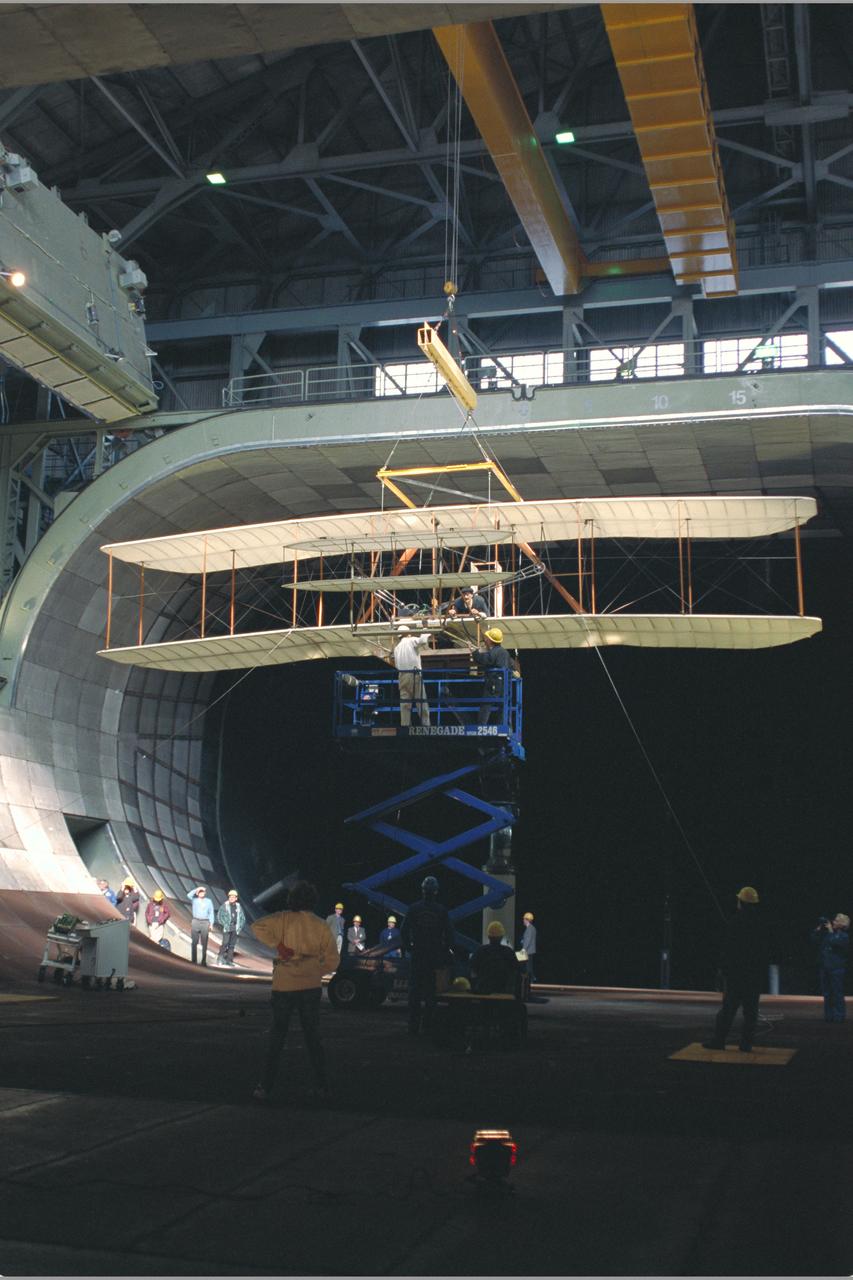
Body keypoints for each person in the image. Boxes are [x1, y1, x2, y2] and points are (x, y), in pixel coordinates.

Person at [250, 879, 340, 1104]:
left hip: (283, 985)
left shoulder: (281, 919)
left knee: (277, 1037)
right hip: (309, 986)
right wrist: (314, 970)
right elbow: (333, 960)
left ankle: (265, 1087)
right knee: (313, 1037)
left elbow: (256, 927)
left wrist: (279, 947)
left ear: (292, 900)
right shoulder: (321, 926)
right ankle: (323, 1086)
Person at [703, 886, 767, 1053]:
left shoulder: (735, 922)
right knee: (751, 1013)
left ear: (742, 902)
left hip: (736, 975)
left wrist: (722, 970)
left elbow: (728, 949)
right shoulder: (761, 924)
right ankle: (746, 1044)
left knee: (728, 1010)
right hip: (754, 975)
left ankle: (719, 1041)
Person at [400, 875, 454, 1034]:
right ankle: (428, 1026)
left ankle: (413, 1026)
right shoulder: (441, 911)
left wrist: (409, 947)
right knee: (431, 992)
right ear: (436, 891)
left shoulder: (414, 908)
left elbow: (404, 931)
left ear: (422, 890)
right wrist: (444, 952)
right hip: (434, 956)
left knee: (415, 991)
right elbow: (450, 935)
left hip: (418, 955)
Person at [472, 627, 515, 725]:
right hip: (505, 683)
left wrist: (475, 653)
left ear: (490, 640)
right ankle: (504, 726)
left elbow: (484, 660)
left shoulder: (494, 652)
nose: (485, 640)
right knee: (503, 705)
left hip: (494, 683)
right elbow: (511, 665)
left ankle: (481, 726)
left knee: (486, 704)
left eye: (487, 638)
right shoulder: (504, 652)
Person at [812, 913, 849, 1022]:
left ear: (842, 925)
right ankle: (828, 1016)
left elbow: (835, 942)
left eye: (836, 921)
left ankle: (839, 1016)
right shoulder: (828, 934)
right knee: (827, 993)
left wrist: (830, 931)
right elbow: (814, 940)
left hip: (837, 968)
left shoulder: (844, 936)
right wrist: (818, 929)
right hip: (825, 967)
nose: (833, 922)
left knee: (837, 992)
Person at [393, 626, 431, 727]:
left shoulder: (397, 648)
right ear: (407, 633)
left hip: (402, 676)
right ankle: (426, 726)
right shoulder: (410, 640)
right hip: (414, 675)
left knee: (405, 705)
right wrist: (425, 629)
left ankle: (405, 727)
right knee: (421, 701)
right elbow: (423, 641)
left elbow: (396, 665)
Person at [471, 921, 521, 994]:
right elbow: (517, 970)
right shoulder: (508, 952)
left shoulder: (480, 951)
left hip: (483, 990)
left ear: (488, 936)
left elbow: (472, 969)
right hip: (503, 990)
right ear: (502, 936)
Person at [216, 889, 246, 967]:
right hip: (227, 927)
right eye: (230, 897)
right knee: (225, 943)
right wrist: (225, 924)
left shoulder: (238, 907)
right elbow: (219, 916)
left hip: (235, 928)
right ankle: (220, 958)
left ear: (236, 898)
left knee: (232, 945)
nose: (231, 898)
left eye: (233, 897)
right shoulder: (225, 905)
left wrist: (239, 927)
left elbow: (242, 918)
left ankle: (229, 960)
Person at [187, 885, 215, 965]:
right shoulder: (194, 900)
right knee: (194, 942)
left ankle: (203, 961)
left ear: (205, 893)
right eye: (200, 892)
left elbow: (211, 913)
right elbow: (188, 895)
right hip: (195, 921)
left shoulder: (208, 901)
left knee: (204, 942)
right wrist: (197, 889)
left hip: (205, 922)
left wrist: (211, 923)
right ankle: (194, 960)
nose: (201, 893)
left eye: (203, 892)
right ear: (197, 893)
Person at [520, 911, 537, 984]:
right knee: (528, 966)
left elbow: (528, 940)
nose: (523, 921)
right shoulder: (531, 928)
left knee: (527, 967)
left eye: (524, 919)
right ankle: (531, 979)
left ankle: (531, 980)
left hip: (528, 951)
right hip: (529, 950)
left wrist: (523, 949)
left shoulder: (530, 929)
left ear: (527, 920)